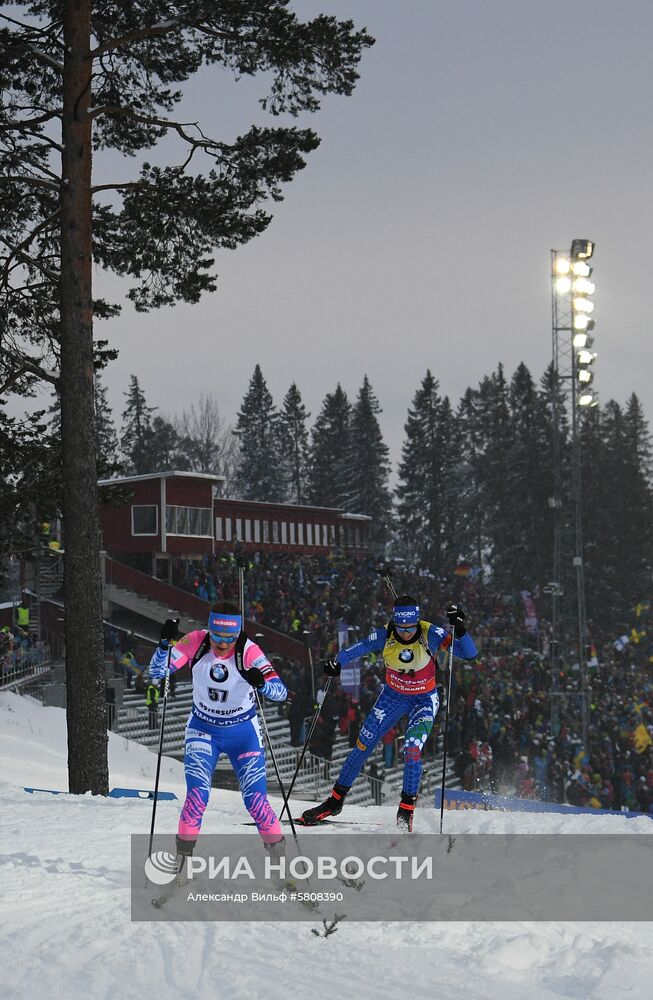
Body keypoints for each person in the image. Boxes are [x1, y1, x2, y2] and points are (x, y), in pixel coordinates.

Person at [300, 595, 477, 831]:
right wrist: (336, 663)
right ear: (395, 622)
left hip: (423, 700)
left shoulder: (430, 633)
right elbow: (357, 648)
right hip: (392, 698)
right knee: (362, 745)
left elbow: (470, 654)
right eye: (401, 628)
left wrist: (461, 628)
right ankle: (335, 801)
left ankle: (406, 811)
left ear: (417, 621)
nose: (405, 633)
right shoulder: (385, 634)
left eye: (410, 628)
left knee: (412, 748)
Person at [148, 601, 288, 873]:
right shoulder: (197, 641)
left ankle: (283, 864)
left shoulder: (249, 651)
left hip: (243, 733)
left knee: (256, 801)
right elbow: (158, 672)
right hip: (203, 730)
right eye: (217, 635)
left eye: (229, 637)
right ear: (209, 629)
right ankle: (181, 866)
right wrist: (164, 645)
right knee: (197, 797)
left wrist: (261, 683)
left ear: (237, 633)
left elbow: (280, 692)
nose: (222, 643)